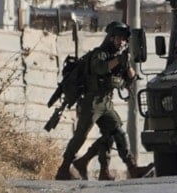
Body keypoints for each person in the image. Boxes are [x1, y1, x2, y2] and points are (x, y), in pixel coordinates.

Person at [56, 21, 153, 180]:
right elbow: (100, 68)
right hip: (91, 102)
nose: (120, 42)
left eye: (123, 39)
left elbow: (131, 78)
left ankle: (130, 168)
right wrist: (117, 60)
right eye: (118, 38)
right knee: (81, 135)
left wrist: (126, 62)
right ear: (111, 38)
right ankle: (64, 168)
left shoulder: (120, 57)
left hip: (106, 103)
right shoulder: (100, 54)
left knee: (116, 133)